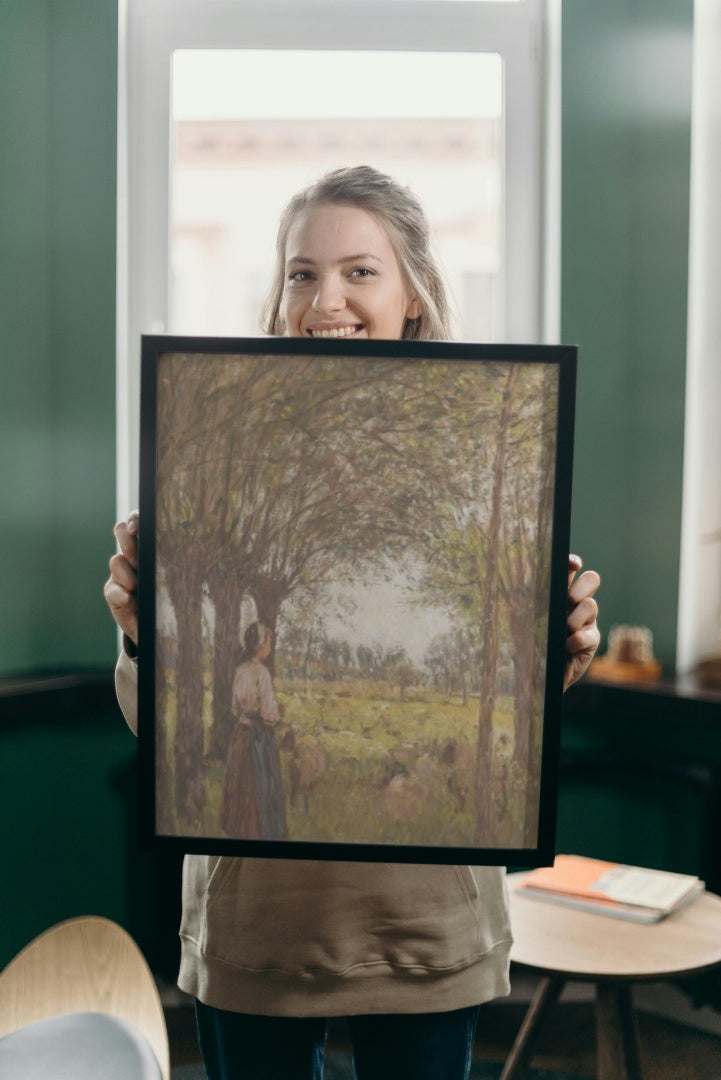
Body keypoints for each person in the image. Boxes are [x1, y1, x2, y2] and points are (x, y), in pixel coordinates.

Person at [105, 165, 601, 1080]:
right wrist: (146, 637)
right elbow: (162, 732)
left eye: (359, 271)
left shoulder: (485, 445)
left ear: (413, 291)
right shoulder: (205, 445)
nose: (324, 297)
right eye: (301, 272)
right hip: (256, 926)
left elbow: (507, 717)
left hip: (425, 927)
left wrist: (555, 652)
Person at [220, 621, 287, 840]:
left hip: (241, 735)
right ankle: (259, 831)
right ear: (261, 646)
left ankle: (238, 827)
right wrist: (276, 717)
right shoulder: (262, 673)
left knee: (241, 784)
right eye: (268, 641)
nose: (270, 645)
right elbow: (270, 714)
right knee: (260, 785)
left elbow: (233, 708)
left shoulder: (240, 670)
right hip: (259, 739)